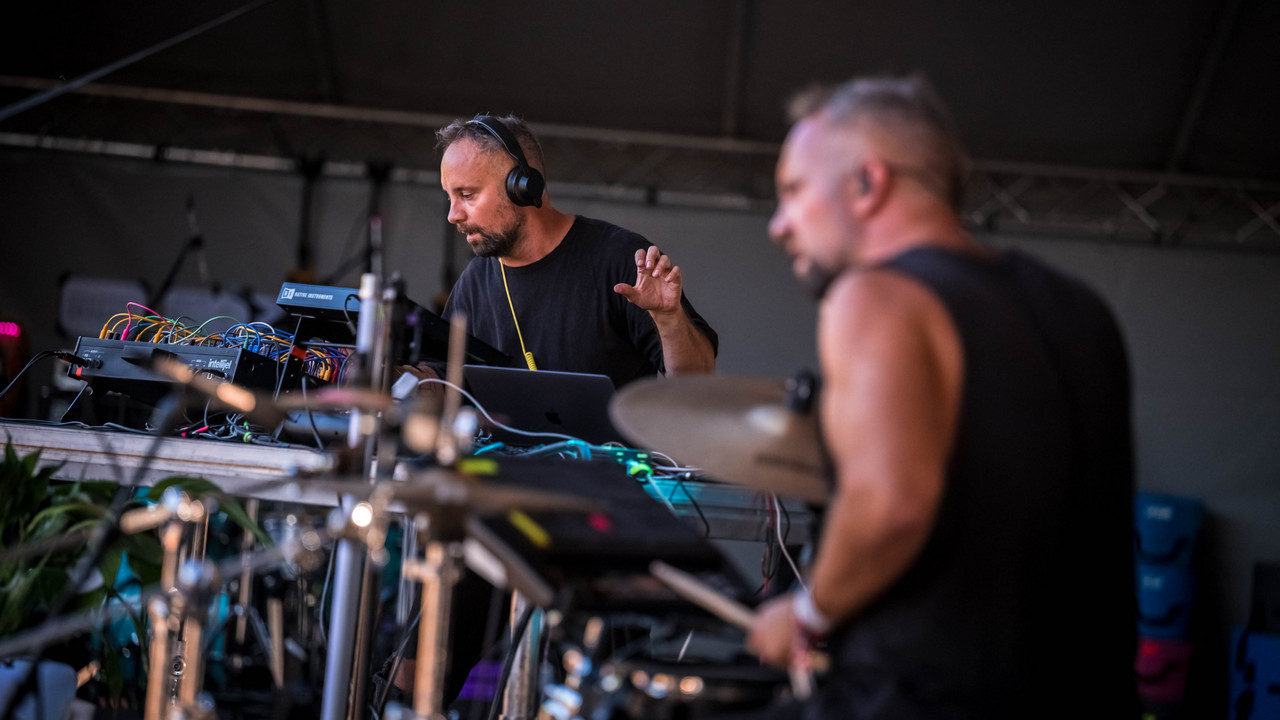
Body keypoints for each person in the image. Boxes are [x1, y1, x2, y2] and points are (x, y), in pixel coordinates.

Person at [745, 76, 1137, 718]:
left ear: (868, 184)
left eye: (792, 191)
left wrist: (808, 613)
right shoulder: (1080, 308)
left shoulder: (876, 296)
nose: (778, 225)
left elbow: (890, 504)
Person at [404, 114, 717, 389]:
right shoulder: (474, 281)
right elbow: (443, 381)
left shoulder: (621, 259)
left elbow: (696, 382)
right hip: (504, 459)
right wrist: (398, 380)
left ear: (522, 187)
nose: (453, 215)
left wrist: (668, 317)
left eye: (467, 195)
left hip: (609, 458)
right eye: (450, 198)